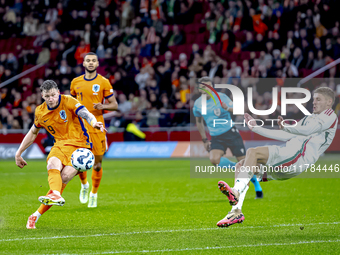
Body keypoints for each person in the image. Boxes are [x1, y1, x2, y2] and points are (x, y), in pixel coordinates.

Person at [217, 87, 338, 227]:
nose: (314, 102)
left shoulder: (330, 116)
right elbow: (286, 135)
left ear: (329, 102)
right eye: (313, 99)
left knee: (253, 152)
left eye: (318, 99)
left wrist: (287, 126)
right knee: (241, 165)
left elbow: (309, 130)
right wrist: (256, 128)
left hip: (297, 158)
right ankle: (236, 212)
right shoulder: (309, 118)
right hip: (288, 157)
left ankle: (236, 192)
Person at [15, 80, 106, 229]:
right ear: (42, 96)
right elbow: (33, 132)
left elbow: (85, 113)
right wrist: (18, 153)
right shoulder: (40, 111)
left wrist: (94, 122)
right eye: (47, 96)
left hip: (80, 145)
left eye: (53, 95)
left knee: (63, 177)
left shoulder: (68, 101)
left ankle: (36, 214)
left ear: (58, 92)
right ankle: (49, 201)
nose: (51, 98)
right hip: (60, 145)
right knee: (52, 164)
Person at [193, 77, 263, 198]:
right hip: (216, 137)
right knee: (214, 160)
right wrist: (204, 139)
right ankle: (235, 166)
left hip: (231, 133)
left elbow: (239, 110)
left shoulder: (222, 97)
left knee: (247, 164)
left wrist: (227, 108)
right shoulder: (198, 104)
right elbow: (199, 122)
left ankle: (257, 185)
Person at [70, 52, 118, 208]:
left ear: (97, 64)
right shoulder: (75, 82)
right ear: (83, 64)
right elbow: (71, 104)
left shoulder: (103, 82)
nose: (90, 63)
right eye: (88, 61)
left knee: (97, 165)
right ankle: (84, 186)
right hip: (80, 128)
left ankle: (94, 194)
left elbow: (115, 105)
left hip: (97, 126)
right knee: (78, 162)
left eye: (93, 61)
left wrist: (103, 106)